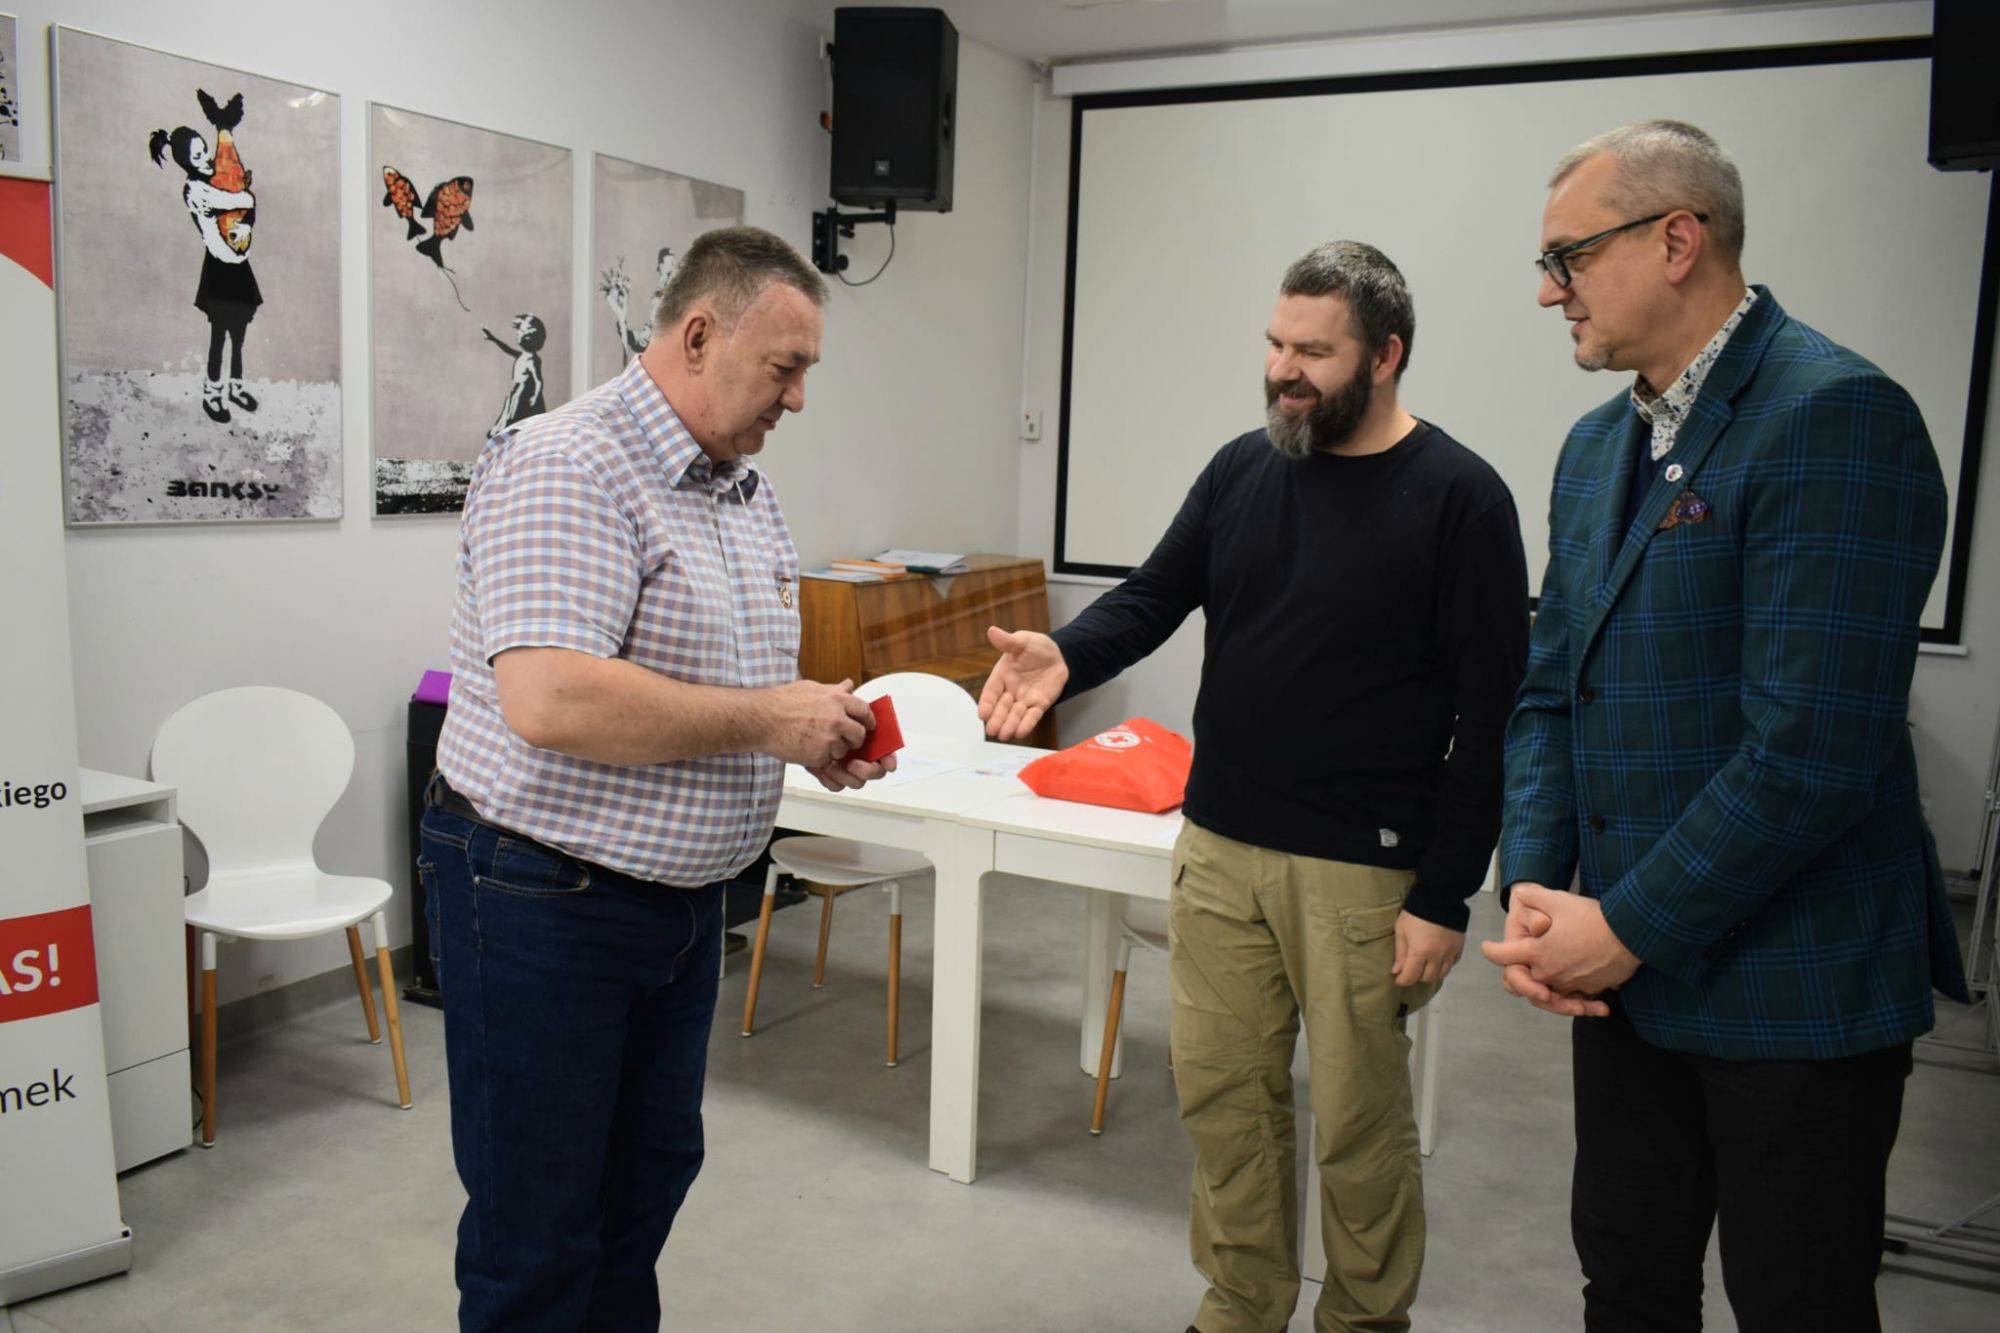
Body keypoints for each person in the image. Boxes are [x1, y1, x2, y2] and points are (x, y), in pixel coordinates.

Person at [980, 241, 1529, 1332]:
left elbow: (1492, 717)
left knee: (1358, 1125)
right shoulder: (1243, 468)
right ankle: (1241, 1303)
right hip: (1221, 845)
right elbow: (1152, 595)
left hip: (1364, 872)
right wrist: (1065, 654)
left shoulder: (1460, 497)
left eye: (1313, 352)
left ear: (1385, 355)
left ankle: (1363, 1318)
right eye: (1276, 344)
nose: (1283, 369)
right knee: (1225, 1100)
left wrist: (1443, 895)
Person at [1481, 120, 1967, 1332]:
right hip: (1621, 978)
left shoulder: (1833, 414)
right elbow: (1551, 689)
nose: (1547, 291)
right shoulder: (1594, 448)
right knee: (1627, 1281)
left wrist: (1621, 927)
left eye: (1568, 258)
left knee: (1794, 1301)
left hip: (1788, 989)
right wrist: (1534, 889)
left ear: (1676, 241)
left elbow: (1810, 750)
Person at [422, 225, 893, 1331]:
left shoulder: (740, 488)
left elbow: (719, 684)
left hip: (678, 909)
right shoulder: (566, 463)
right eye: (784, 367)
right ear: (697, 336)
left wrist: (807, 730)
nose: (798, 398)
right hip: (544, 898)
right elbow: (552, 698)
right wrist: (768, 719)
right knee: (539, 1236)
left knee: (638, 1200)